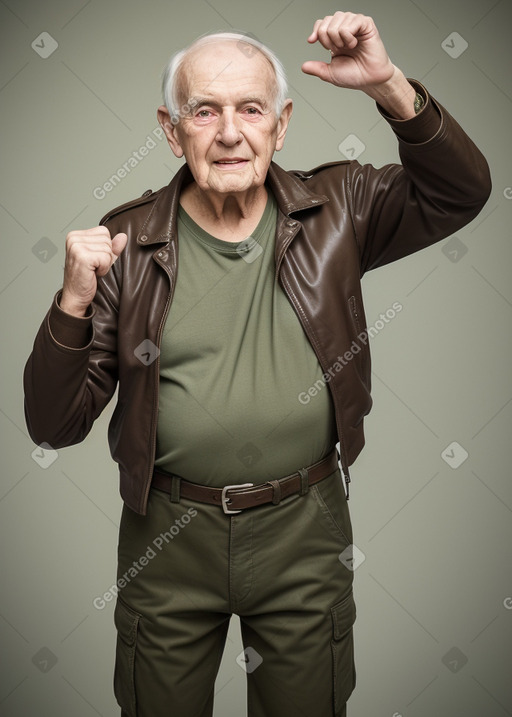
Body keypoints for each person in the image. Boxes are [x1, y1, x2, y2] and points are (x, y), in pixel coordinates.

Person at [23, 11, 491, 717]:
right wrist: (71, 302)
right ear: (170, 128)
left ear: (282, 122)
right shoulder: (123, 243)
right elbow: (54, 426)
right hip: (167, 538)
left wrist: (390, 86)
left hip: (306, 531)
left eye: (251, 108)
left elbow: (462, 191)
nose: (231, 132)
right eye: (204, 111)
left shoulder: (341, 208)